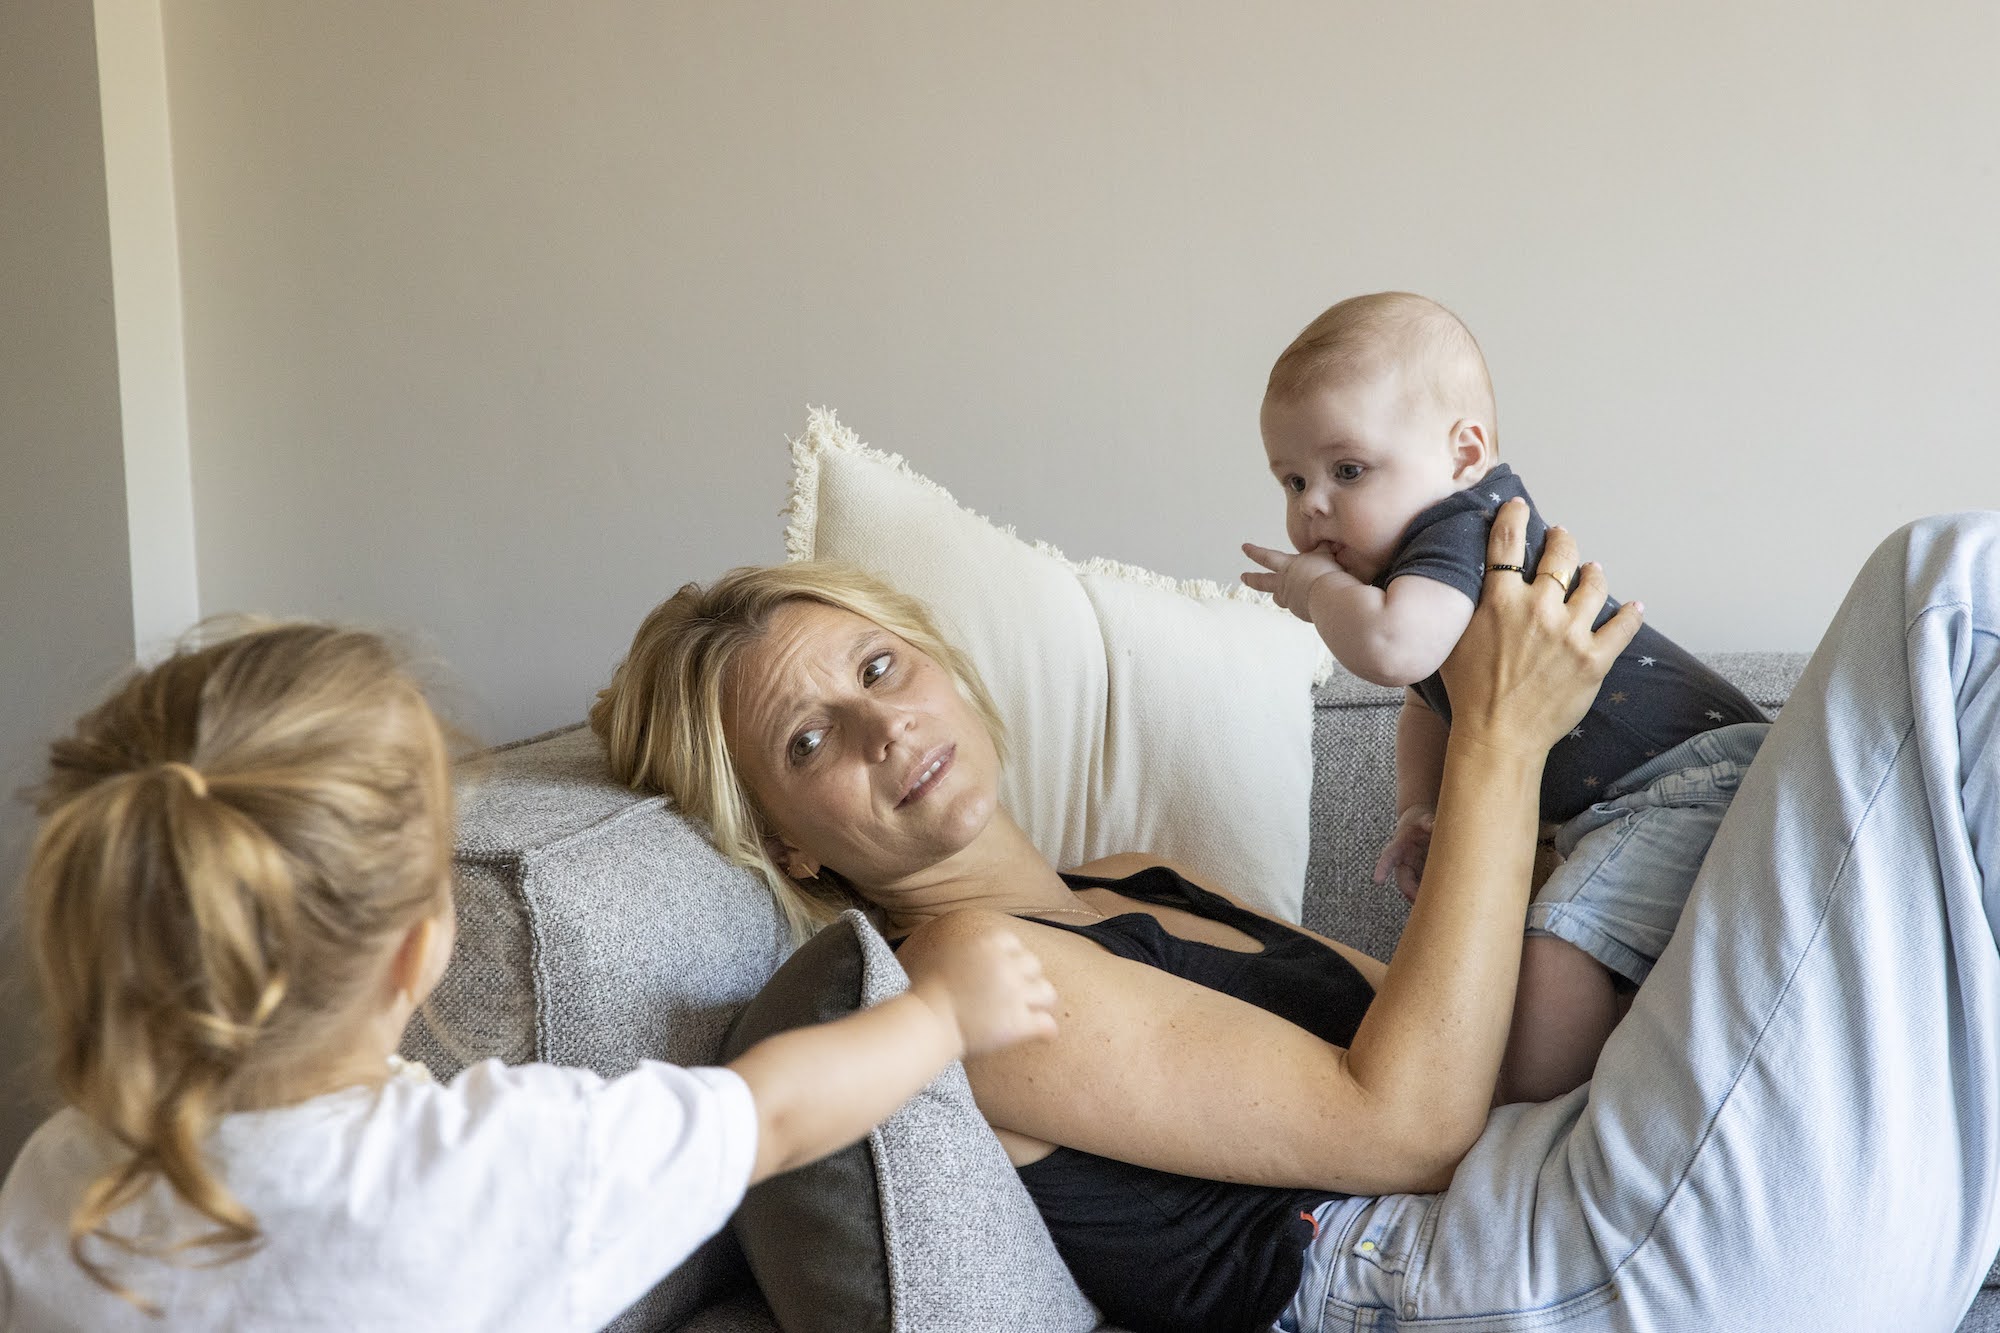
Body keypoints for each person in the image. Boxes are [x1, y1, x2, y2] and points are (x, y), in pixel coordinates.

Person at [595, 504, 2000, 1333]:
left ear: (947, 669)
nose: (882, 724)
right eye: (807, 742)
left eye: (883, 665)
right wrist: (1498, 740)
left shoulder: (1130, 878)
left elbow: (1474, 1045)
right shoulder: (975, 975)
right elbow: (1412, 1123)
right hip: (1537, 1278)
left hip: (1595, 1190)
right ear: (788, 837)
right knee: (1943, 605)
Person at [0, 621, 1058, 1331]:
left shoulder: (57, 1179)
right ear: (420, 950)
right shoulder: (494, 1163)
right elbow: (773, 1118)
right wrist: (937, 1014)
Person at [1241, 291, 1767, 1102]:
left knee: (1553, 947)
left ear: (1464, 451)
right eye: (1293, 478)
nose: (1312, 504)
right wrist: (1423, 807)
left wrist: (1313, 588)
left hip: (1689, 776)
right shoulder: (1419, 572)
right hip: (1641, 795)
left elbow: (1391, 651)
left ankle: (1527, 1132)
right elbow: (1426, 702)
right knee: (1548, 952)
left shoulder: (1461, 526)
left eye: (1347, 469)